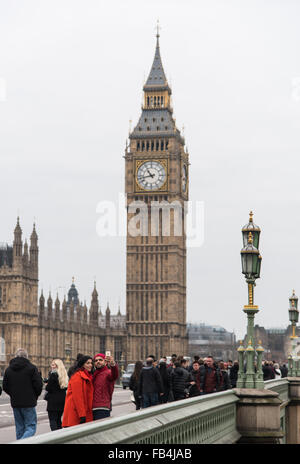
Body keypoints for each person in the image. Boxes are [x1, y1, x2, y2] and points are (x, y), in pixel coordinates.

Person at [3, 348, 43, 440]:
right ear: (26, 357)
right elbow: (38, 385)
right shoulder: (32, 368)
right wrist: (34, 396)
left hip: (16, 403)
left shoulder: (8, 369)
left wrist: (13, 394)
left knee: (19, 428)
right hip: (29, 403)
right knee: (31, 427)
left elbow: (5, 386)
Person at [62, 355, 94, 427]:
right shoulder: (77, 376)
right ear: (82, 364)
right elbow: (78, 397)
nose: (90, 365)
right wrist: (82, 415)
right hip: (75, 413)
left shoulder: (87, 375)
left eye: (91, 363)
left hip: (82, 411)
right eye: (87, 363)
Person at [92, 353, 119, 420]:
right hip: (93, 407)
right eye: (96, 360)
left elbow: (114, 375)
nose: (98, 361)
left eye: (100, 360)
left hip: (102, 407)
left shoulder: (108, 373)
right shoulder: (94, 374)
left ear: (105, 362)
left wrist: (113, 364)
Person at [44, 359, 68, 430]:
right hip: (62, 400)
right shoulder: (64, 375)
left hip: (53, 401)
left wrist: (47, 384)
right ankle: (60, 436)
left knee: (53, 420)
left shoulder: (53, 374)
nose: (52, 366)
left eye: (53, 365)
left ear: (57, 366)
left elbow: (48, 388)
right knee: (58, 420)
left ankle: (55, 437)